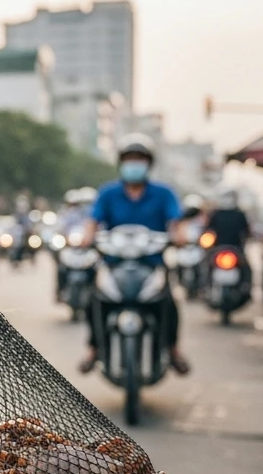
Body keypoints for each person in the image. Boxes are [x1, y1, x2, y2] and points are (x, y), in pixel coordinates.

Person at [79, 134, 191, 376]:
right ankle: (94, 347)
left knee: (169, 303)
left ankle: (172, 349)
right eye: (129, 159)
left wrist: (181, 235)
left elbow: (177, 222)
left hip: (151, 264)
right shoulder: (108, 193)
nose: (134, 164)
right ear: (121, 163)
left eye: (139, 159)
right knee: (94, 299)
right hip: (114, 263)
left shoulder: (164, 193)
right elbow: (92, 221)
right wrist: (87, 237)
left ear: (148, 164)